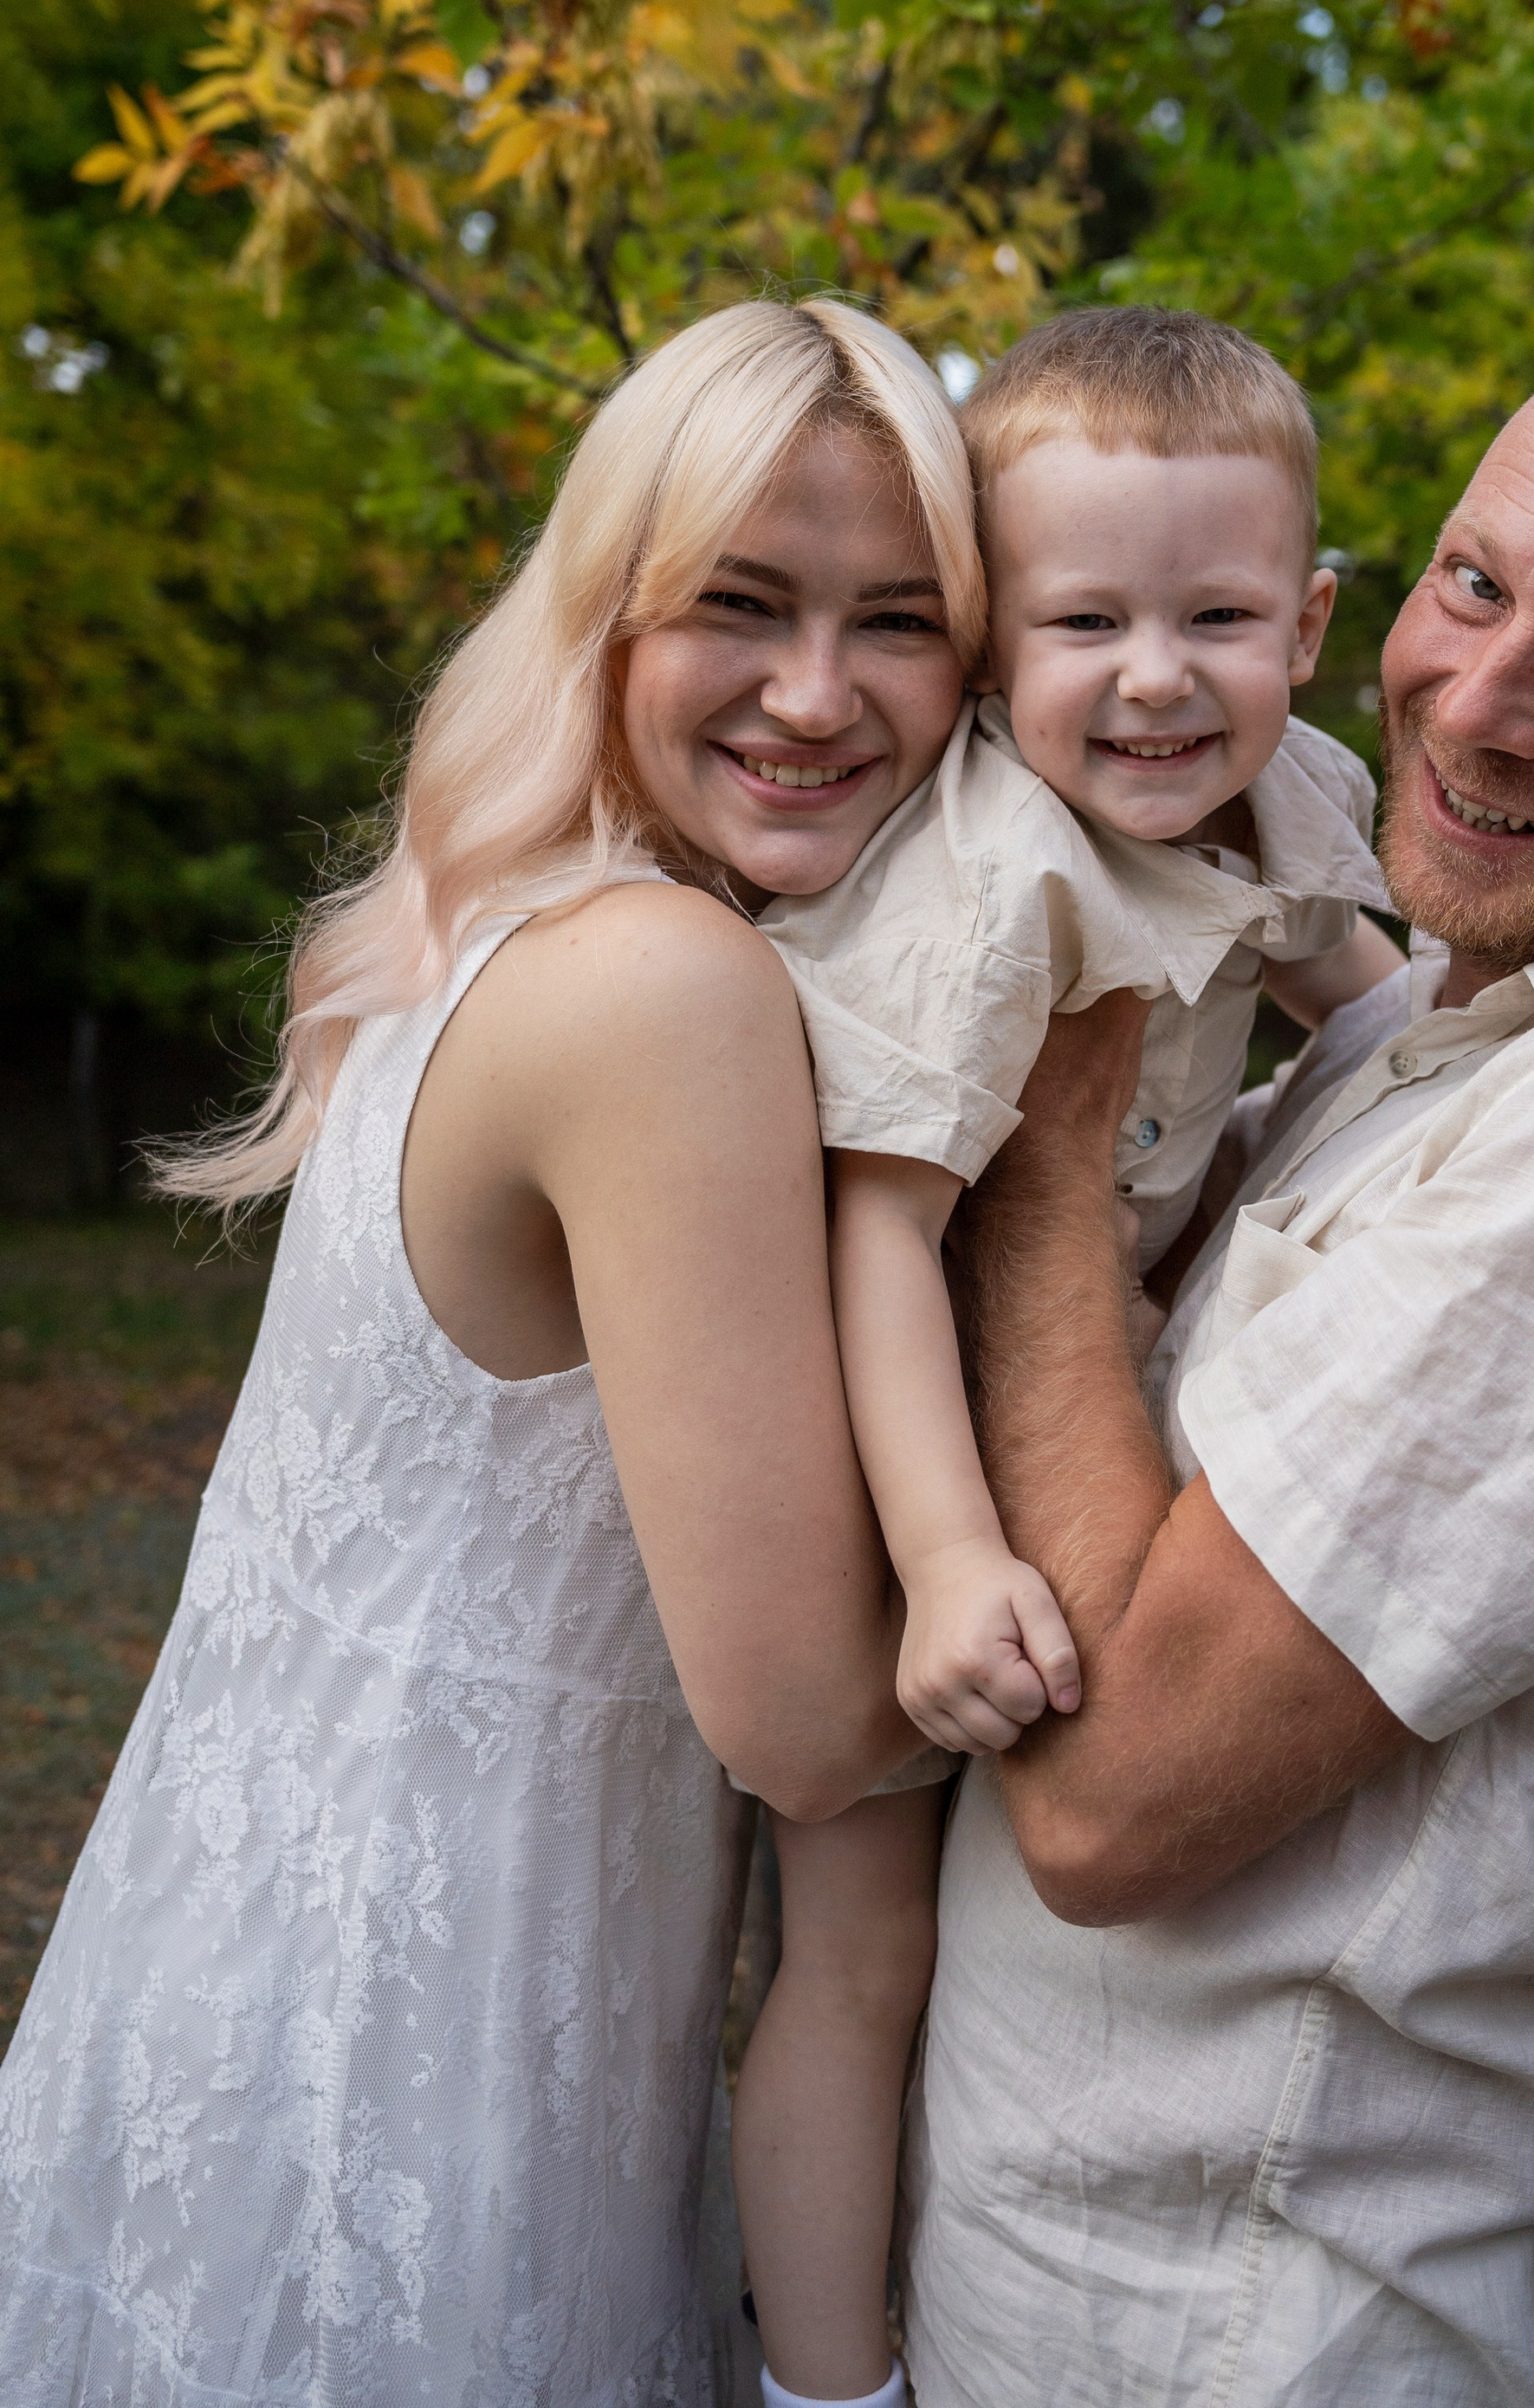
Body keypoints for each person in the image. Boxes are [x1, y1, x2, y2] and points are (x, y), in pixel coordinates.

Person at [900, 334, 1534, 2406]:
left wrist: (1039, 1137)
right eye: (1470, 587)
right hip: (1079, 2263)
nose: (1475, 707)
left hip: (1255, 2313)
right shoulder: (1461, 1013)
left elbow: (1108, 1812)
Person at [0, 298, 972, 2408]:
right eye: (742, 603)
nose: (819, 692)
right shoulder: (661, 987)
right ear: (608, 612)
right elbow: (810, 1725)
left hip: (219, 1992)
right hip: (412, 2064)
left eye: (898, 620)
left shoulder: (472, 922)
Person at [739, 307, 1399, 2407]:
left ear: (1304, 624)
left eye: (1214, 614)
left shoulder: (1280, 791)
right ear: (988, 637)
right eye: (1081, 617)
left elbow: (1356, 989)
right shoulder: (996, 880)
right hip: (875, 1436)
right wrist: (938, 1559)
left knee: (988, 1963)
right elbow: (874, 1230)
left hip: (1075, 1404)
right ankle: (828, 2381)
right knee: (858, 1951)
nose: (1150, 676)